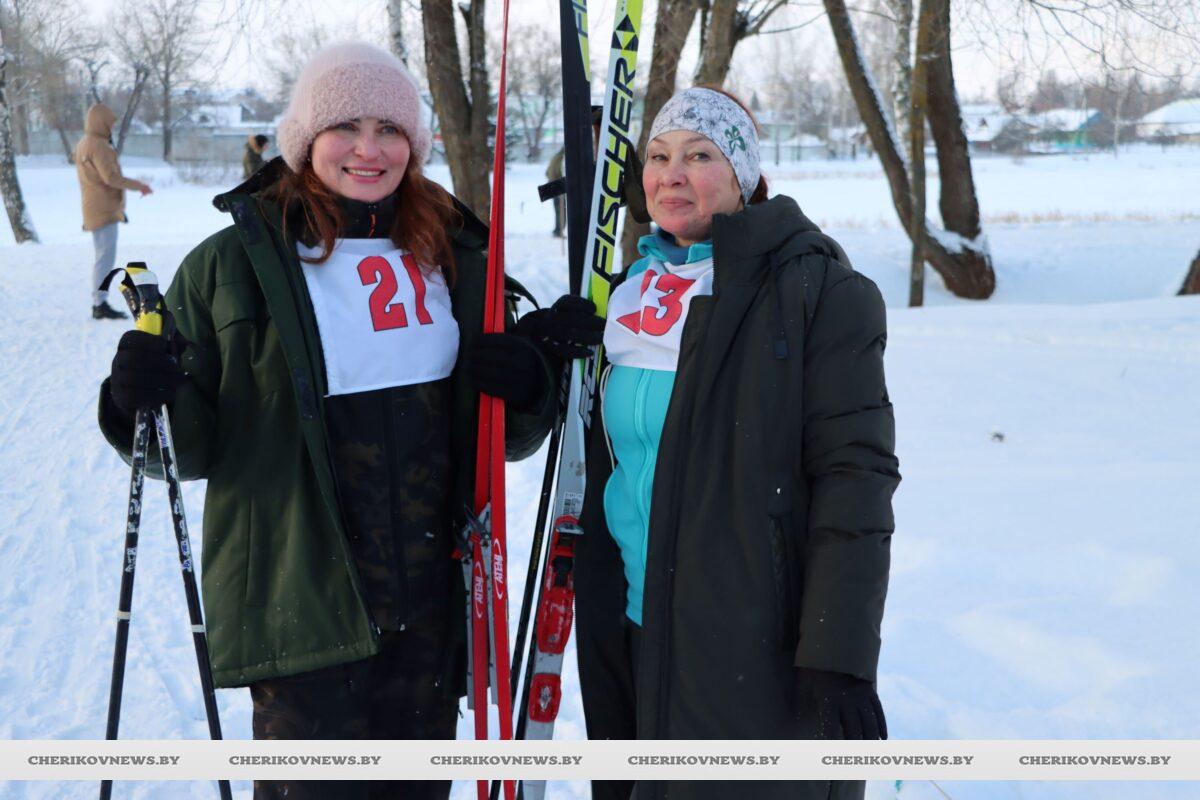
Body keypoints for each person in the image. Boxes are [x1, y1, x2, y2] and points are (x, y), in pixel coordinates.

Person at [97, 42, 556, 800]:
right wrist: (137, 398)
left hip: (432, 620)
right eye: (346, 125)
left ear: (416, 143)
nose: (370, 150)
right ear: (306, 138)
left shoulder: (454, 251)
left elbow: (501, 437)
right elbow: (188, 445)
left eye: (392, 129)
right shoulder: (231, 264)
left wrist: (528, 380)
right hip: (299, 613)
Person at [531, 87, 901, 800]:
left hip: (745, 641)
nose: (672, 173)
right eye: (660, 155)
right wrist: (541, 361)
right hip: (630, 628)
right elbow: (607, 447)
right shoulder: (631, 290)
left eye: (700, 155)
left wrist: (839, 652)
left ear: (746, 178)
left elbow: (855, 476)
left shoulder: (818, 291)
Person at [74, 102, 153, 320]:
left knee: (103, 256)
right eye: (109, 123)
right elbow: (111, 178)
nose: (111, 127)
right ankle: (99, 304)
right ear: (101, 123)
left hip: (94, 206)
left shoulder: (84, 143)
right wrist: (140, 185)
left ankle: (99, 302)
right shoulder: (99, 146)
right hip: (103, 209)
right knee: (105, 257)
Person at [546, 145, 565, 237]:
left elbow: (546, 172)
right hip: (558, 186)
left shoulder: (555, 157)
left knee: (558, 211)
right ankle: (558, 231)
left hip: (552, 185)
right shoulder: (561, 160)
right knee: (561, 211)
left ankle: (557, 230)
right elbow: (557, 173)